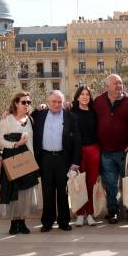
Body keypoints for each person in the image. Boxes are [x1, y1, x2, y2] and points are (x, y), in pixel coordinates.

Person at [92, 74, 128, 224]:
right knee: (111, 185)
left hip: (125, 152)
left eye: (120, 83)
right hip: (106, 152)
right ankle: (113, 212)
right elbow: (86, 114)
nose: (119, 86)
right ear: (107, 86)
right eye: (116, 83)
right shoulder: (98, 101)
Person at [33, 90, 81, 232]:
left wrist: (75, 161)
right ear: (47, 102)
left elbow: (77, 140)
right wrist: (6, 114)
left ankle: (64, 221)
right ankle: (47, 222)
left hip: (63, 158)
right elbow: (21, 119)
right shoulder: (38, 115)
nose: (56, 104)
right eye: (53, 101)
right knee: (47, 192)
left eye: (59, 101)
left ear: (63, 102)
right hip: (45, 158)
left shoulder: (71, 117)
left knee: (63, 191)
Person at [0, 91, 40, 234]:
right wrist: (16, 144)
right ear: (16, 103)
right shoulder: (6, 120)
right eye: (24, 102)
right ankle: (13, 223)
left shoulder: (31, 120)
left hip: (27, 161)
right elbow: (0, 140)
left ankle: (22, 222)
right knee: (13, 191)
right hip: (12, 160)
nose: (27, 105)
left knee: (25, 192)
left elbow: (32, 143)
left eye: (29, 102)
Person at [70, 85, 100, 226]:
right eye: (82, 94)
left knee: (91, 183)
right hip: (78, 152)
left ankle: (90, 214)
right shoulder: (71, 112)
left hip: (94, 150)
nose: (85, 96)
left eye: (87, 94)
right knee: (79, 184)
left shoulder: (95, 112)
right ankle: (80, 214)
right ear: (77, 96)